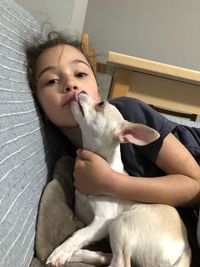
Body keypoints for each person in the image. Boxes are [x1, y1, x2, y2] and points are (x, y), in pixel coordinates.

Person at [25, 31, 200, 249]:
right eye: (52, 80)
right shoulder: (64, 157)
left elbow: (195, 184)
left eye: (80, 74)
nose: (70, 83)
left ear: (98, 91)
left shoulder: (127, 114)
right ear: (39, 106)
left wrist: (111, 183)